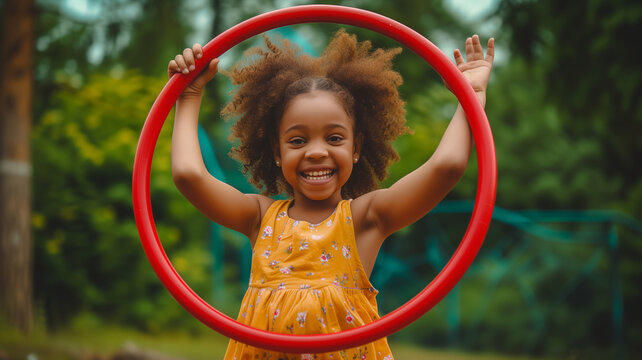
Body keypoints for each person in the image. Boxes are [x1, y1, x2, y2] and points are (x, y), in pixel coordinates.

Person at [168, 29, 494, 360]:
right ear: (276, 152)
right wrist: (189, 95)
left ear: (357, 148)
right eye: (297, 141)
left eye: (335, 138)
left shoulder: (366, 219)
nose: (316, 152)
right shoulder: (259, 218)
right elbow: (188, 175)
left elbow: (448, 166)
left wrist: (472, 97)